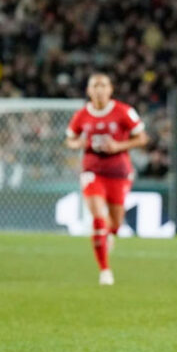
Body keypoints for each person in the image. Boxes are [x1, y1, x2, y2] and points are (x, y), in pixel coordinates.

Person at [65, 73, 149, 285]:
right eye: (95, 86)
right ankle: (105, 270)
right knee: (98, 218)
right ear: (88, 90)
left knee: (116, 223)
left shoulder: (123, 111)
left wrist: (118, 146)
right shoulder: (81, 115)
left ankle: (108, 236)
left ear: (110, 89)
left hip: (119, 173)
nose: (99, 89)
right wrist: (81, 144)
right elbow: (70, 141)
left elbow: (142, 138)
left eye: (103, 85)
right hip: (93, 172)